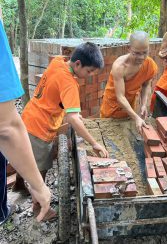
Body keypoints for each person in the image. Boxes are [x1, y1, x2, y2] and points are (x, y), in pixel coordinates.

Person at [13, 42, 109, 199]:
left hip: (29, 116)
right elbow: (72, 119)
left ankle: (18, 185)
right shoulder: (70, 83)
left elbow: (65, 104)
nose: (90, 75)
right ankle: (39, 207)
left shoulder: (58, 62)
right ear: (78, 64)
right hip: (41, 128)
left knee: (26, 155)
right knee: (41, 168)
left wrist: (74, 113)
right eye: (89, 71)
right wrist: (94, 143)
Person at [0, 12, 51, 224]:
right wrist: (39, 186)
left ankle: (6, 205)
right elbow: (6, 128)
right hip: (37, 128)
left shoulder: (56, 66)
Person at [100, 31, 158, 134]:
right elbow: (120, 97)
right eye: (136, 53)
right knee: (107, 134)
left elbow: (145, 86)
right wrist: (136, 118)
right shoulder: (120, 66)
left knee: (127, 133)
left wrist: (144, 104)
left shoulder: (150, 64)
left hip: (129, 105)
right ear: (129, 48)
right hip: (112, 105)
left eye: (145, 52)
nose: (141, 57)